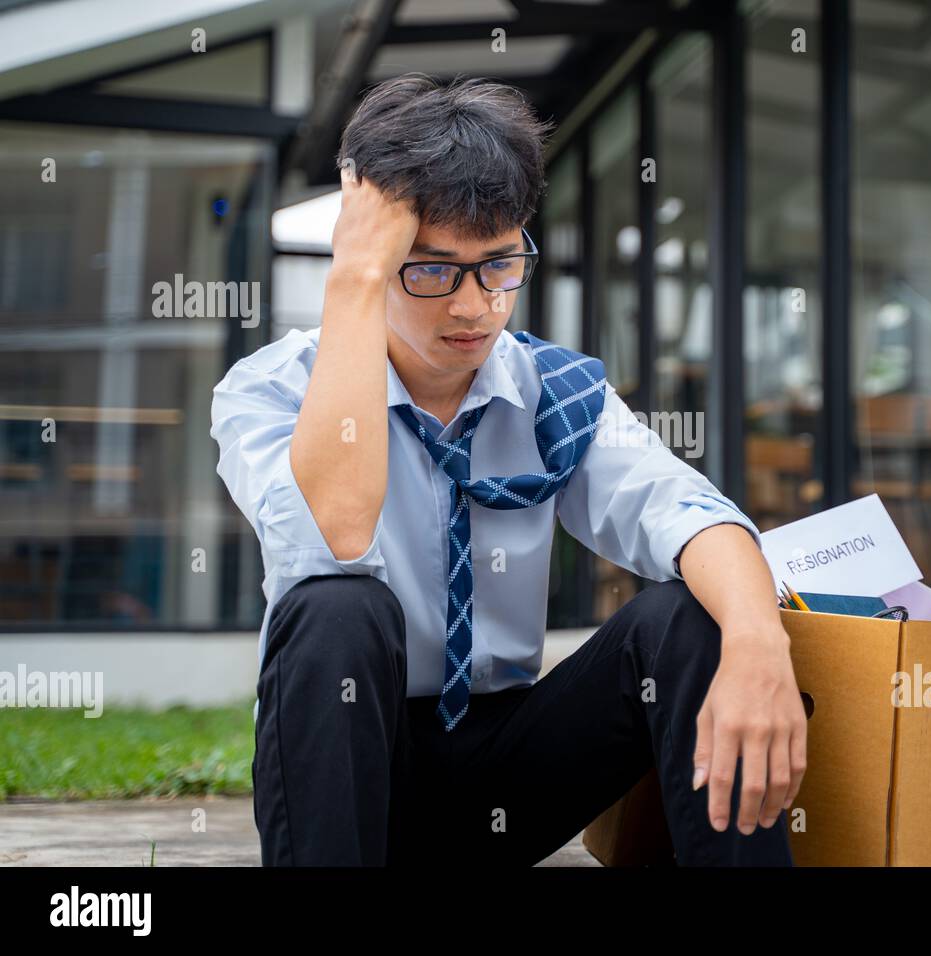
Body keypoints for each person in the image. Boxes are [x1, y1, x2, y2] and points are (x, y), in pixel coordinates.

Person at [210, 73, 806, 867]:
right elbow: (337, 537)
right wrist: (351, 281)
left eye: (499, 265)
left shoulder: (550, 390)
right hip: (349, 775)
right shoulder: (271, 390)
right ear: (369, 250)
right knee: (336, 607)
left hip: (507, 779)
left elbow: (687, 512)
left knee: (695, 615)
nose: (473, 307)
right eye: (430, 270)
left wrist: (759, 643)